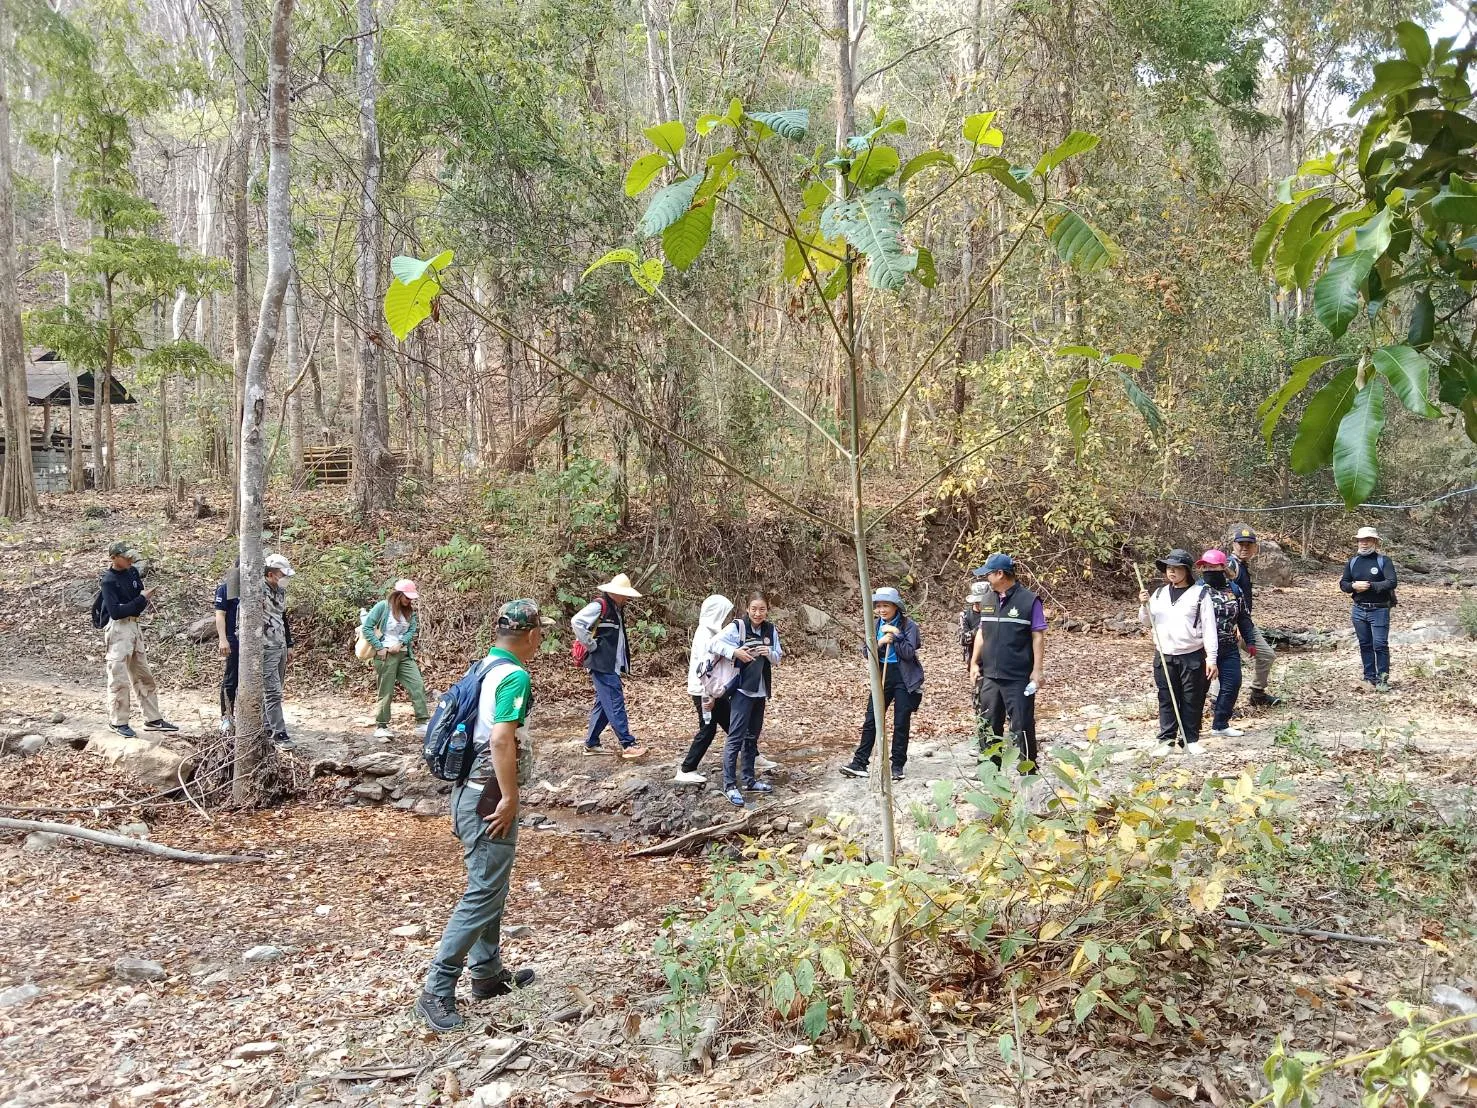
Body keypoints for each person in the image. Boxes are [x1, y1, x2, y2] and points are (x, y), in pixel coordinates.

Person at [417, 599, 551, 1033]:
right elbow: (500, 740)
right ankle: (437, 989)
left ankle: (487, 974)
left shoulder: (483, 667)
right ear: (532, 635)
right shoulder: (514, 676)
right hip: (487, 798)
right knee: (482, 893)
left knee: (492, 886)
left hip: (467, 793)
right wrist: (509, 797)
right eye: (541, 632)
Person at [968, 554, 1046, 772]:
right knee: (988, 724)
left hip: (1018, 677)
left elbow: (1038, 636)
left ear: (1000, 574)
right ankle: (990, 771)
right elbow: (982, 633)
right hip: (990, 676)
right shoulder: (987, 599)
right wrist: (974, 663)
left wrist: (1037, 670)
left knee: (1022, 725)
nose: (986, 578)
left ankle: (1028, 771)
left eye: (988, 574)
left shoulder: (1029, 601)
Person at [840, 587, 923, 783]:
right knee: (872, 718)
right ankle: (859, 763)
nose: (882, 610)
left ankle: (897, 766)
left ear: (895, 606)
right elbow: (866, 652)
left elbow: (909, 653)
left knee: (901, 721)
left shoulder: (909, 625)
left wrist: (897, 636)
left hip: (904, 676)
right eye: (878, 606)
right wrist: (880, 642)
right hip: (882, 675)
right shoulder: (875, 624)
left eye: (886, 605)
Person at [1138, 549, 1217, 757]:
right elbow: (1147, 622)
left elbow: (1210, 628)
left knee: (1192, 698)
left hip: (1192, 654)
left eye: (1176, 568)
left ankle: (1190, 740)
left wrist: (1212, 658)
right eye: (1168, 568)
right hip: (1164, 654)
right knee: (1166, 697)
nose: (1171, 572)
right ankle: (1167, 740)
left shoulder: (1200, 595)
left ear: (1186, 571)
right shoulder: (1158, 594)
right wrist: (1144, 606)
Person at [99, 541, 178, 739]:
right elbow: (116, 612)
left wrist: (139, 601)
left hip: (135, 625)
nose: (130, 560)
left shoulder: (133, 572)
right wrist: (141, 600)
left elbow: (138, 603)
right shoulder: (108, 581)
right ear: (114, 558)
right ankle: (118, 721)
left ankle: (152, 718)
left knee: (143, 673)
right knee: (118, 677)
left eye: (131, 556)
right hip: (118, 629)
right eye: (126, 557)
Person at [712, 591, 782, 806]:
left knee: (752, 737)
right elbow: (713, 644)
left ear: (767, 610)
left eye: (762, 609)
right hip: (741, 691)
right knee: (736, 737)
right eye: (754, 609)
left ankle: (749, 780)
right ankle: (729, 785)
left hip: (760, 691)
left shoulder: (770, 630)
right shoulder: (738, 627)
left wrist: (768, 652)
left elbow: (778, 657)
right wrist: (736, 652)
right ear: (747, 609)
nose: (757, 613)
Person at [572, 573, 648, 760]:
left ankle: (591, 743)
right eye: (625, 595)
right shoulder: (600, 605)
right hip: (602, 664)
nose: (627, 598)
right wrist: (591, 645)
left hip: (609, 665)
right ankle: (628, 744)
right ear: (617, 593)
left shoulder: (616, 609)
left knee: (604, 705)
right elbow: (577, 622)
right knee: (615, 702)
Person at [1196, 549, 1257, 738]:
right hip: (1202, 648)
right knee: (1199, 688)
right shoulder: (1197, 589)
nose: (1209, 570)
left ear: (1222, 567)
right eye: (1205, 566)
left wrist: (1250, 640)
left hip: (1229, 645)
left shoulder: (1234, 590)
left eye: (1213, 566)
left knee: (1232, 683)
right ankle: (1192, 726)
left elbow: (1244, 617)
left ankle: (1221, 724)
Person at [674, 594, 734, 785]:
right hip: (704, 690)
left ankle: (753, 755)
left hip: (714, 689)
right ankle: (687, 769)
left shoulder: (712, 632)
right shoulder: (705, 635)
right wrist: (709, 695)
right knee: (708, 729)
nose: (727, 617)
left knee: (733, 724)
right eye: (725, 613)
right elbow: (704, 669)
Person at [362, 580, 430, 740]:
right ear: (398, 595)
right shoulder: (383, 607)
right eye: (407, 597)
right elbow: (367, 627)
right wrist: (379, 647)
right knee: (386, 690)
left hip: (404, 654)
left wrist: (401, 643)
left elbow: (412, 629)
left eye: (411, 598)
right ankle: (382, 725)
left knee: (417, 685)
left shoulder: (409, 612)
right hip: (385, 655)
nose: (409, 600)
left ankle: (422, 722)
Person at [1226, 526, 1281, 707]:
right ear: (1233, 545)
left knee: (1266, 655)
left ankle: (1257, 694)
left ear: (1255, 548)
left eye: (1248, 545)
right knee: (1227, 663)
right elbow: (1224, 596)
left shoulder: (1242, 566)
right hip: (1230, 626)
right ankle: (1217, 702)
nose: (1244, 548)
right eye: (1240, 544)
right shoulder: (1230, 565)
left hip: (1245, 623)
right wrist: (1234, 624)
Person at [1340, 526, 1398, 687]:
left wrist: (1370, 586)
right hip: (1358, 609)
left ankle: (1383, 680)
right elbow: (1343, 583)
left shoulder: (1384, 561)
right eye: (1361, 540)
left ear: (1375, 542)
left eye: (1367, 540)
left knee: (1380, 645)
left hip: (1379, 609)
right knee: (1365, 644)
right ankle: (1369, 677)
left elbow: (1392, 582)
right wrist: (1353, 586)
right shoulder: (1353, 562)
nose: (1364, 543)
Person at [261, 553, 295, 747]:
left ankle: (267, 726)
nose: (285, 578)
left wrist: (289, 644)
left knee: (276, 688)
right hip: (265, 647)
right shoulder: (257, 590)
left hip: (280, 644)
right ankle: (279, 733)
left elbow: (283, 617)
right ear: (271, 574)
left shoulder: (280, 592)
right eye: (283, 575)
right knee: (272, 691)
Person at [214, 559, 241, 732]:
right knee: (231, 678)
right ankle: (226, 717)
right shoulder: (227, 587)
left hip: (252, 640)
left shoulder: (256, 586)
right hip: (233, 638)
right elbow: (220, 614)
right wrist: (223, 639)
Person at [958, 581, 989, 666]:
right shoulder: (965, 615)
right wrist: (980, 628)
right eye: (978, 602)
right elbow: (962, 640)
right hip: (975, 659)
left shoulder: (995, 613)